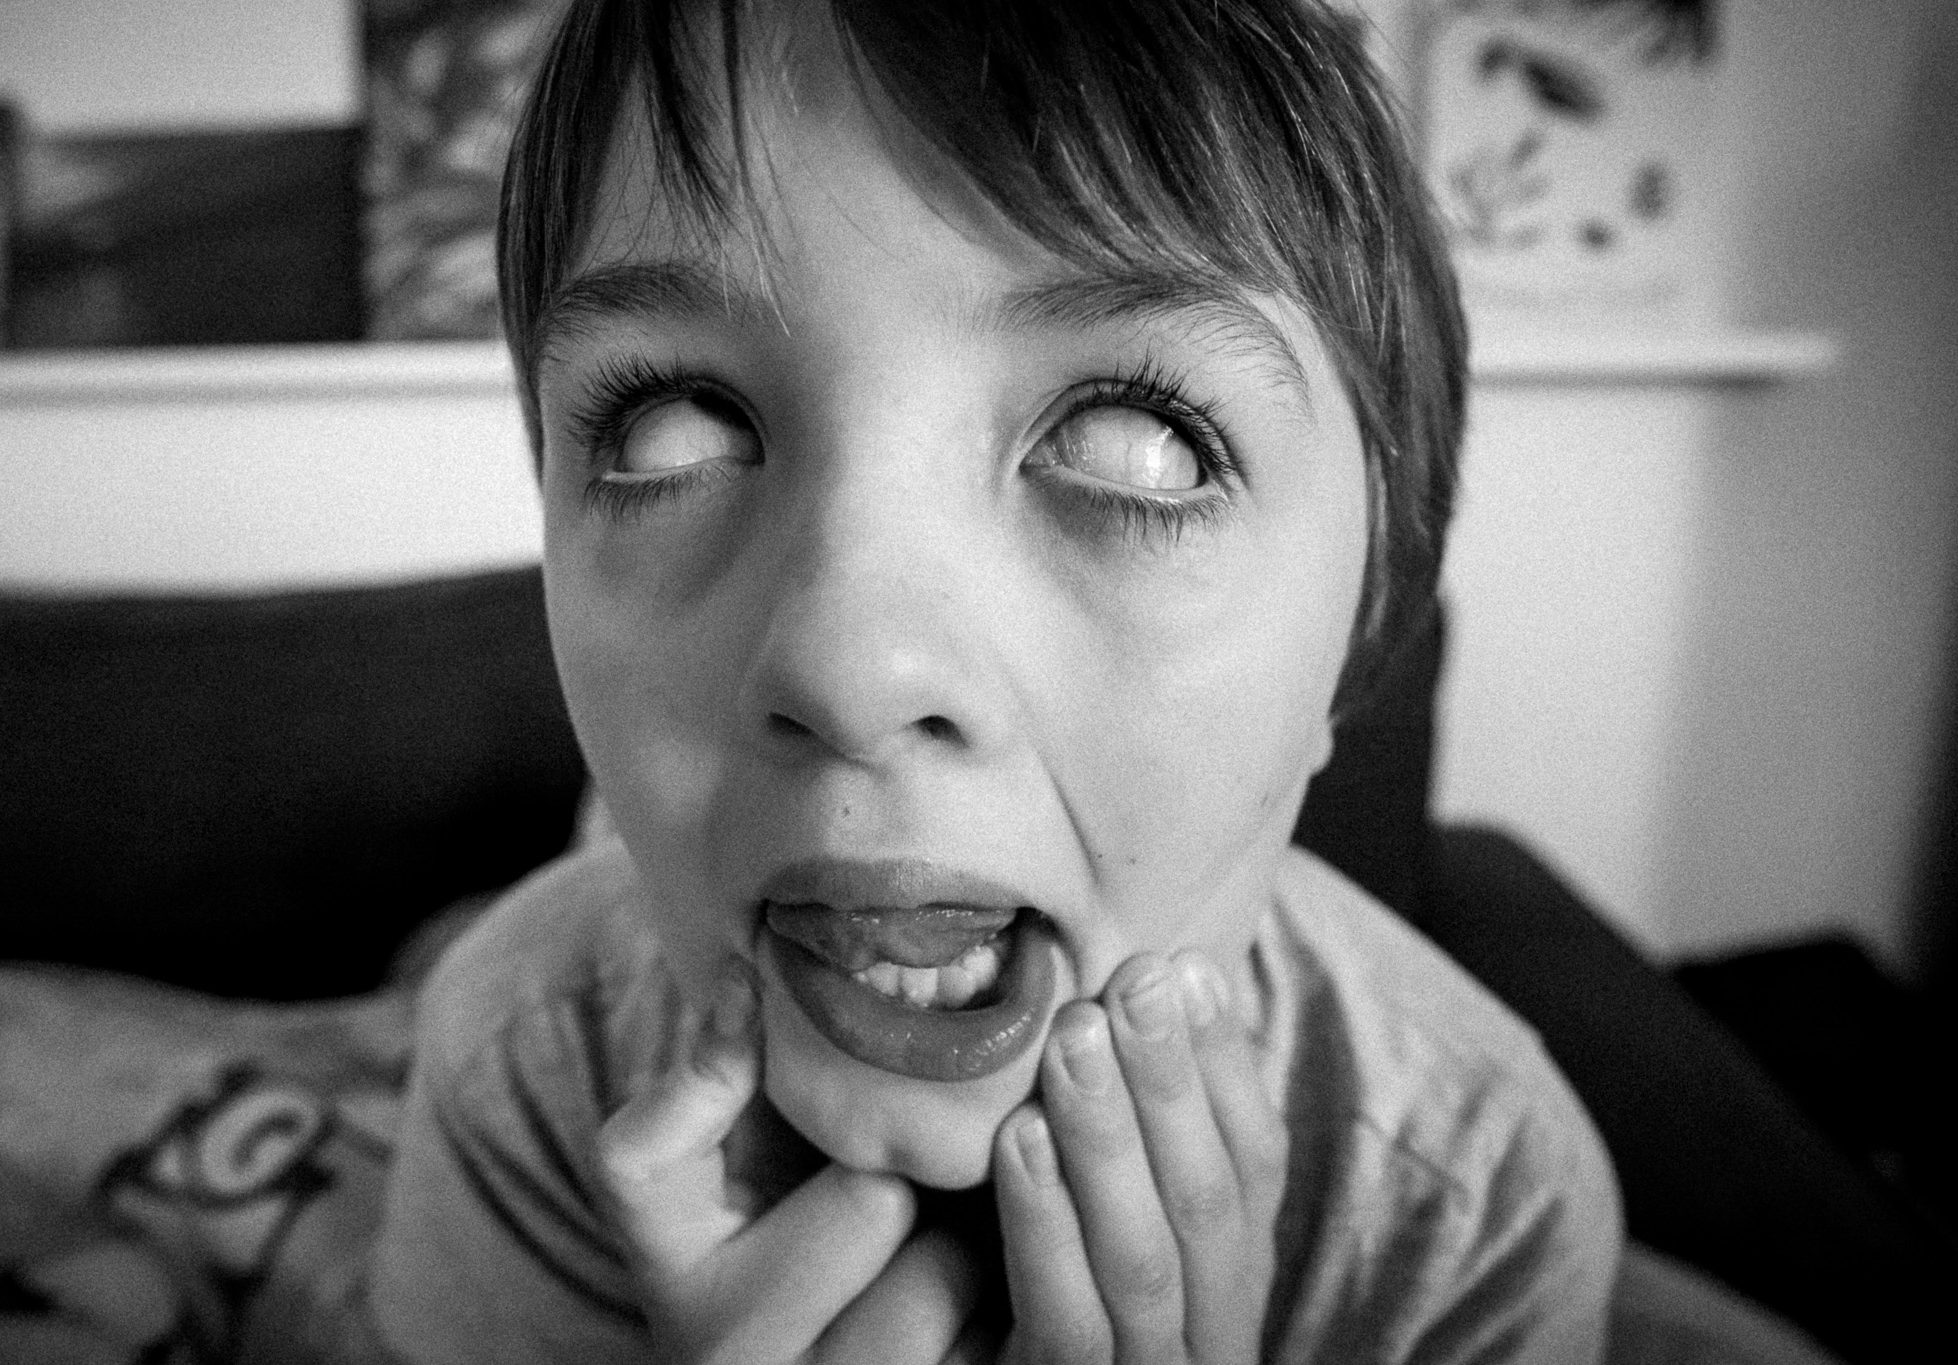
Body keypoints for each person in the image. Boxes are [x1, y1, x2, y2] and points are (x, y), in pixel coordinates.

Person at [367, 0, 1623, 1359]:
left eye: (1139, 441)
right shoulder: (523, 1064)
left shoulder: (1478, 1208)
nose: (850, 671)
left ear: (1364, 621)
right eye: (673, 424)